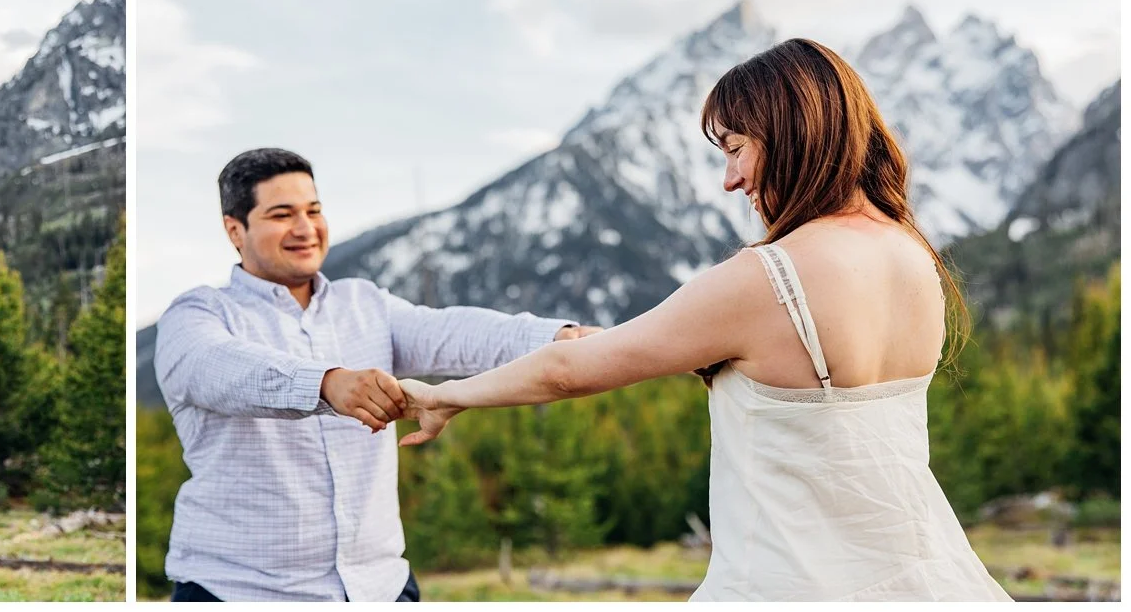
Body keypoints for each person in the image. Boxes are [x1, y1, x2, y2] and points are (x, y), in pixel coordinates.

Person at [398, 39, 1011, 601]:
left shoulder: (769, 279)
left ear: (795, 132)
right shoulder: (913, 255)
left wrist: (448, 396)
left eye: (737, 149)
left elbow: (565, 372)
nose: (729, 180)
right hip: (925, 583)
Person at [153, 148, 598, 602]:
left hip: (379, 589)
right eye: (282, 215)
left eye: (314, 210)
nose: (305, 228)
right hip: (238, 591)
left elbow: (450, 331)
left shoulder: (365, 304)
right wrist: (327, 383)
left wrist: (558, 336)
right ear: (235, 230)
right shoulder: (197, 315)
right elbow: (221, 367)